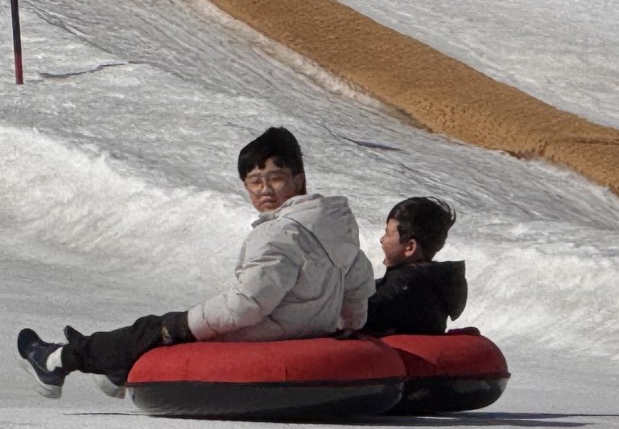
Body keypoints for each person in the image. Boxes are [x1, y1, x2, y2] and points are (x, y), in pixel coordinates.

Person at [17, 126, 375, 399]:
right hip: (308, 331)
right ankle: (115, 362)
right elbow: (358, 284)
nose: (265, 190)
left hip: (264, 335)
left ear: (298, 179)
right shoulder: (335, 225)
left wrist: (190, 322)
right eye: (254, 182)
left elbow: (247, 306)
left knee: (158, 327)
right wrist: (343, 327)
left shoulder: (279, 234)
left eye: (276, 179)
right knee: (157, 330)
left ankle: (56, 361)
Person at [361, 197, 467, 337]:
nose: (382, 239)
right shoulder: (432, 282)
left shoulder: (409, 287)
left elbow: (360, 314)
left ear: (410, 247)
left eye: (388, 233)